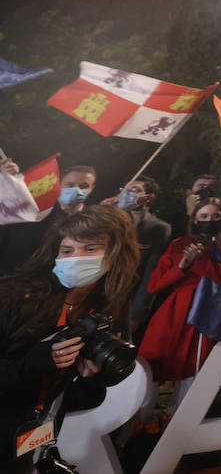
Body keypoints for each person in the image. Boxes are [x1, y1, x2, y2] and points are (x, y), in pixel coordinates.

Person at [0, 206, 141, 474]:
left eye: (90, 249)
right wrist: (33, 362)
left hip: (33, 432)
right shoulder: (13, 298)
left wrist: (96, 376)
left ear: (115, 255)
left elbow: (88, 394)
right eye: (67, 250)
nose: (75, 258)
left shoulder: (109, 306)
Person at [139, 197, 221, 413]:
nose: (209, 220)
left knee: (196, 371)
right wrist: (182, 266)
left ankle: (180, 423)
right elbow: (154, 284)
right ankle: (136, 424)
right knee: (153, 365)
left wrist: (202, 260)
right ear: (194, 219)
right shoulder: (179, 244)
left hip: (209, 314)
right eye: (203, 216)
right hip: (176, 311)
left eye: (215, 216)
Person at [104, 177, 173, 334]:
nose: (127, 193)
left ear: (149, 197)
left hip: (124, 301)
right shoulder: (106, 217)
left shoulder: (158, 228)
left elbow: (152, 273)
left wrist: (137, 314)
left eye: (135, 189)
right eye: (124, 188)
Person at [0, 166, 98, 275]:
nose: (76, 189)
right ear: (59, 183)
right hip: (6, 273)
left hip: (43, 284)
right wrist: (7, 179)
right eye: (70, 185)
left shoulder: (90, 223)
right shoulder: (34, 207)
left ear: (92, 188)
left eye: (84, 186)